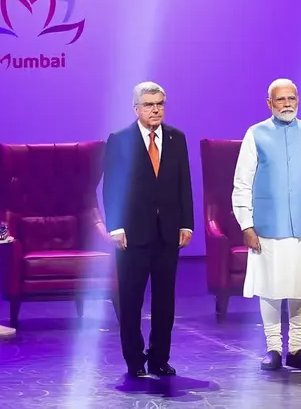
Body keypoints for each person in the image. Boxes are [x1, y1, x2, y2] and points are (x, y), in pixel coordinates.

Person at [232, 78, 301, 371]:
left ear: (298, 100)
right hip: (268, 225)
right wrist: (247, 224)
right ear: (269, 104)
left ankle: (297, 348)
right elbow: (242, 183)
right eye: (280, 100)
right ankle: (274, 348)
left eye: (291, 98)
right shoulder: (256, 134)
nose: (287, 104)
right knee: (271, 288)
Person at [102, 81, 194, 378]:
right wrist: (115, 226)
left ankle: (159, 358)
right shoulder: (119, 139)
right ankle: (134, 361)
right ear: (136, 109)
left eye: (160, 104)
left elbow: (184, 183)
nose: (156, 110)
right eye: (149, 105)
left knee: (165, 300)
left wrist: (186, 223)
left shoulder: (176, 138)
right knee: (131, 299)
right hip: (132, 234)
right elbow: (112, 186)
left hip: (167, 232)